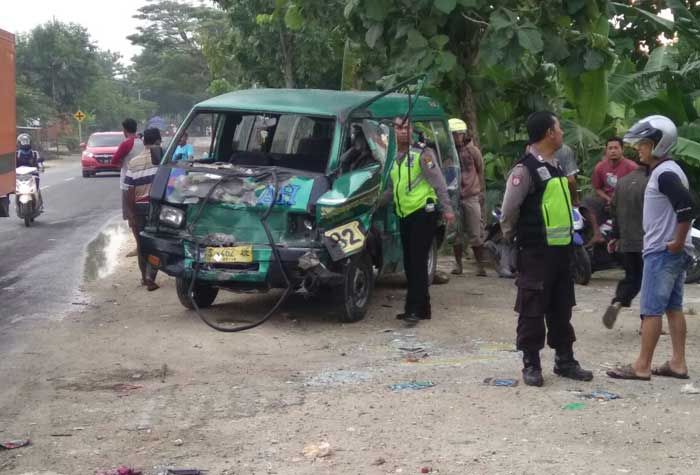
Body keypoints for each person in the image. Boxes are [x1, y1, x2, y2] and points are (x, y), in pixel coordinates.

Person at [500, 111, 593, 387]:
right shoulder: (524, 170)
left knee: (561, 306)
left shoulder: (556, 166)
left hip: (560, 252)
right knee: (532, 308)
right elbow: (508, 212)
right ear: (549, 134)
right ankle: (531, 364)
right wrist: (514, 240)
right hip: (536, 252)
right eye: (559, 128)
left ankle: (565, 360)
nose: (562, 132)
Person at [607, 115, 693, 381]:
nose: (639, 148)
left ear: (658, 144)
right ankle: (677, 363)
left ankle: (641, 366)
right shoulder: (671, 170)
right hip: (674, 252)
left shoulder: (664, 173)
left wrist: (677, 241)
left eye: (644, 143)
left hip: (663, 252)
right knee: (673, 308)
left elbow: (688, 207)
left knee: (651, 310)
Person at [388, 116, 455, 327]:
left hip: (423, 212)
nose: (401, 131)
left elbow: (439, 182)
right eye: (398, 127)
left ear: (412, 130)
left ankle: (413, 310)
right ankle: (423, 308)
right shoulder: (392, 157)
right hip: (404, 213)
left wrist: (447, 209)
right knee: (409, 262)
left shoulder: (422, 154)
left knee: (417, 262)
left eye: (405, 127)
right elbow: (393, 188)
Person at [602, 164, 649, 329]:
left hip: (626, 242)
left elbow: (613, 212)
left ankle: (618, 302)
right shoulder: (652, 181)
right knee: (649, 283)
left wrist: (614, 236)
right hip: (648, 241)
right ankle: (646, 323)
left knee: (632, 277)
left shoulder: (622, 182)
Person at [448, 118, 489, 277]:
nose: (456, 137)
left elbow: (480, 170)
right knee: (455, 233)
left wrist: (479, 191)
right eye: (453, 134)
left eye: (458, 134)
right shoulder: (449, 151)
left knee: (475, 232)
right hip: (455, 196)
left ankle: (481, 266)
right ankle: (458, 264)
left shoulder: (473, 151)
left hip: (471, 195)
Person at [123, 127, 161, 291]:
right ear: (158, 142)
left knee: (141, 245)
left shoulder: (133, 162)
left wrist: (131, 214)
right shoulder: (163, 160)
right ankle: (150, 277)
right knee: (156, 245)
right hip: (156, 208)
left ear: (143, 142)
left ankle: (144, 277)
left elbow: (128, 191)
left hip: (138, 208)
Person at [582, 138, 638, 243]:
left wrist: (618, 200)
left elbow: (637, 190)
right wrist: (607, 198)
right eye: (610, 148)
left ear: (622, 150)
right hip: (607, 200)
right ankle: (596, 233)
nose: (613, 151)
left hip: (625, 201)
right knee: (587, 201)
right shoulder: (600, 167)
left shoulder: (632, 167)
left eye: (616, 148)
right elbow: (597, 188)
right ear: (606, 151)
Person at [111, 118, 144, 221]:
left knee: (130, 214)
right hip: (143, 181)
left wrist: (121, 164)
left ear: (124, 130)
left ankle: (135, 234)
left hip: (127, 183)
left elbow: (114, 161)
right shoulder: (142, 142)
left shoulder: (126, 144)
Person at [15, 133, 44, 210]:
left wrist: (41, 167)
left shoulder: (34, 153)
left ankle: (40, 202)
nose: (25, 143)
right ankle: (17, 203)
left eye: (26, 141)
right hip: (20, 176)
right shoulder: (16, 154)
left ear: (30, 142)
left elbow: (39, 163)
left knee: (36, 188)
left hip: (33, 175)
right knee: (16, 190)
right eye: (23, 141)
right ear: (19, 142)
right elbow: (12, 164)